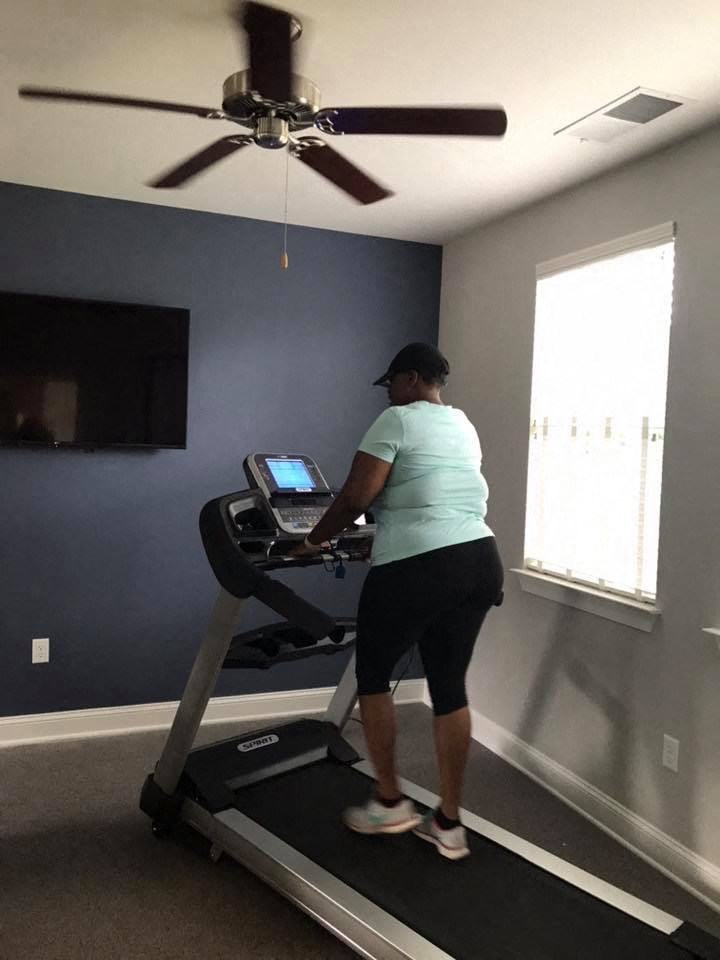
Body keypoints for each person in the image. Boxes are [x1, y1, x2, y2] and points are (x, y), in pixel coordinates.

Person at [291, 342, 504, 860]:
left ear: (411, 380)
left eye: (391, 382)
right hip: (479, 557)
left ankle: (390, 801)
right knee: (449, 683)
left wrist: (313, 541)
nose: (387, 391)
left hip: (419, 563)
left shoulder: (397, 419)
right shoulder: (463, 424)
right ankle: (449, 824)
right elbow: (428, 490)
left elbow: (356, 498)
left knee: (373, 675)